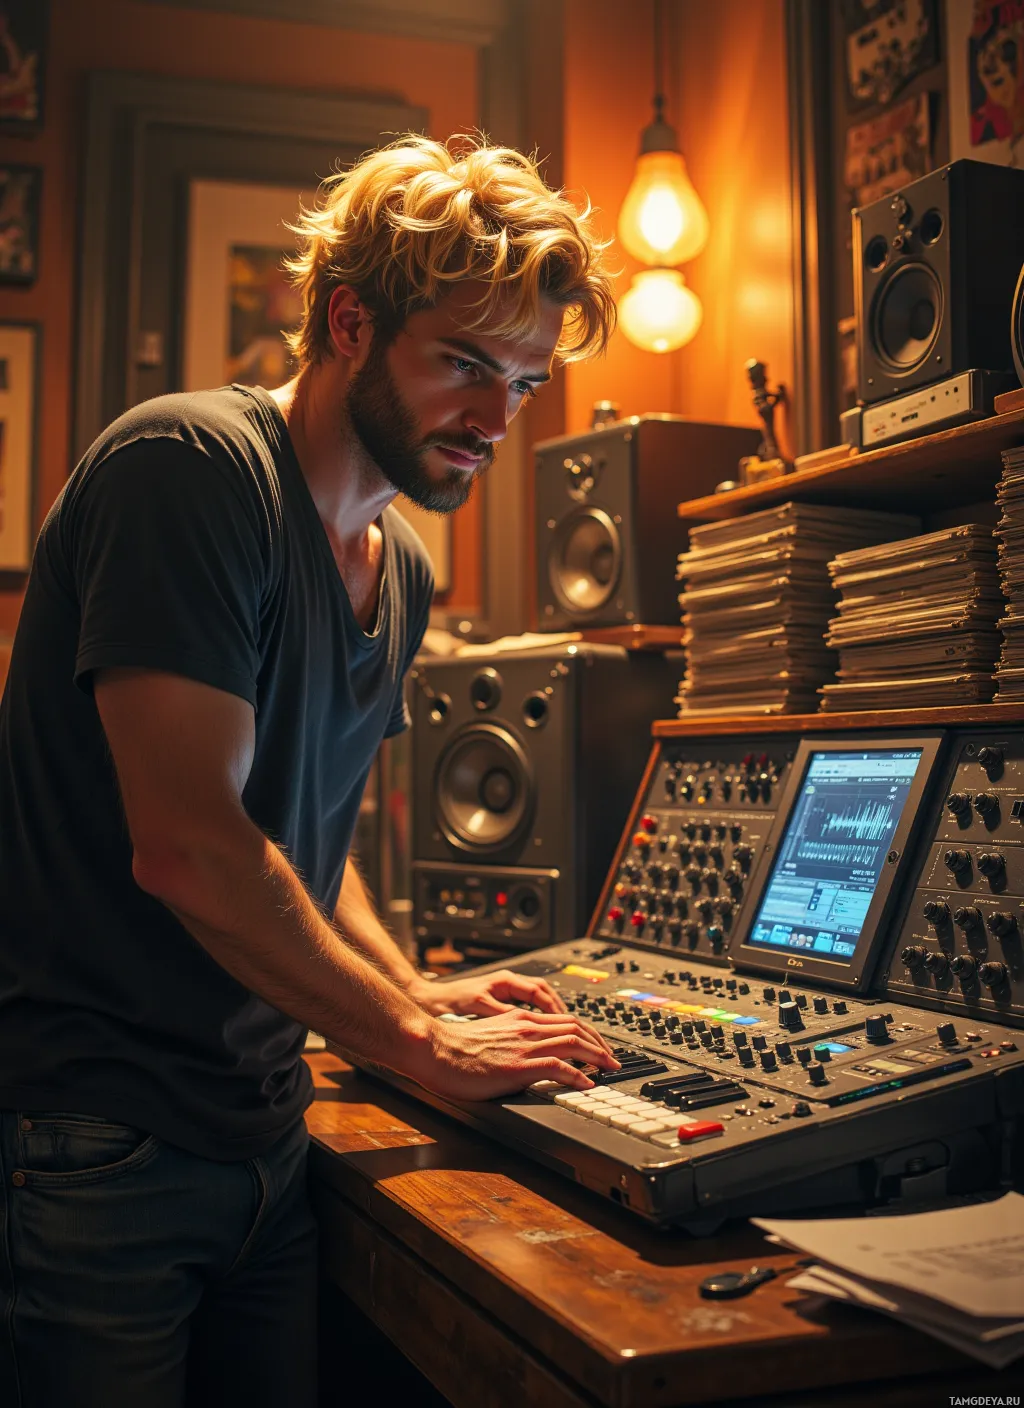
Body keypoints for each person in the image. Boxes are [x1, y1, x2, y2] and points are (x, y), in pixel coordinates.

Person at [0, 133, 618, 1407]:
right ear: (350, 320)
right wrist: (413, 1043)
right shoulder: (192, 470)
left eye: (524, 381)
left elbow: (297, 847)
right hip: (95, 1144)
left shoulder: (405, 574)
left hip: (263, 1140)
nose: (497, 418)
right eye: (463, 363)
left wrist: (424, 1001)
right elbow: (190, 842)